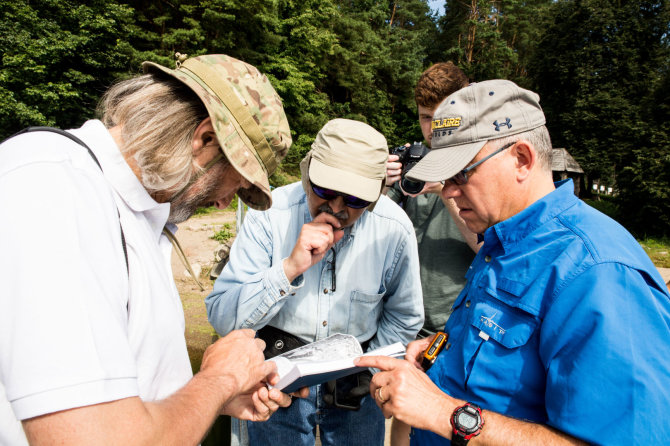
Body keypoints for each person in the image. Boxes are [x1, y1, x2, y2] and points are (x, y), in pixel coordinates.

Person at [0, 53, 305, 445]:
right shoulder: (52, 191)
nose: (224, 203)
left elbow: (137, 386)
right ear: (206, 140)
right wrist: (220, 379)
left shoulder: (133, 209)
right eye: (236, 183)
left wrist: (212, 398)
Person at [356, 79, 670, 445]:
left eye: (461, 173)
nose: (450, 191)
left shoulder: (599, 273)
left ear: (521, 159)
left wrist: (444, 413)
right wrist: (441, 354)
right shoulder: (503, 237)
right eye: (444, 177)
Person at [206, 118, 424, 446]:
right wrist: (288, 269)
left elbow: (404, 316)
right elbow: (223, 317)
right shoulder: (270, 214)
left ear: (377, 194)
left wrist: (367, 372)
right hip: (277, 379)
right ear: (306, 171)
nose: (336, 208)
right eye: (324, 190)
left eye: (355, 200)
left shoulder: (393, 229)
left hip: (357, 387)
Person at [386, 61, 480, 446]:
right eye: (426, 117)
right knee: (401, 416)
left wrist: (444, 186)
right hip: (406, 325)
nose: (433, 128)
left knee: (449, 425)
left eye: (442, 117)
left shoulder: (480, 167)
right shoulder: (414, 160)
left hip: (454, 327)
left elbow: (488, 245)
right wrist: (377, 183)